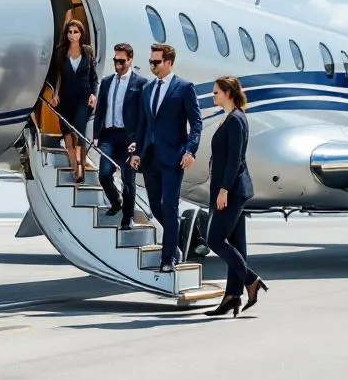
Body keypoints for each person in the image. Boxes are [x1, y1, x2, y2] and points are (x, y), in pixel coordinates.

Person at [130, 42, 202, 273]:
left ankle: (168, 258)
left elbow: (196, 123)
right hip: (151, 157)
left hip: (174, 157)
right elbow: (143, 125)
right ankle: (175, 244)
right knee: (155, 205)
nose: (152, 66)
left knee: (169, 206)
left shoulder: (184, 87)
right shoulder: (148, 90)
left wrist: (190, 150)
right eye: (151, 61)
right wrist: (137, 153)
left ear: (169, 62)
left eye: (156, 62)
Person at [204, 76, 268, 317]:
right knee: (237, 245)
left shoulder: (236, 120)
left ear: (227, 93)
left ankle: (251, 280)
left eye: (216, 93)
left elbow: (235, 160)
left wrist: (224, 190)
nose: (213, 96)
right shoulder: (230, 118)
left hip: (231, 191)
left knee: (215, 240)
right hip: (231, 190)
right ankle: (232, 296)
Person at [93, 42, 147, 230]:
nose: (118, 63)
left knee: (127, 179)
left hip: (128, 138)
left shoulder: (140, 83)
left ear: (130, 59)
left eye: (121, 60)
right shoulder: (107, 81)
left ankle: (128, 217)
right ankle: (116, 202)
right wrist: (96, 136)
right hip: (108, 135)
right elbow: (100, 109)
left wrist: (138, 141)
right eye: (115, 60)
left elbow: (143, 116)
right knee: (104, 174)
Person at [46, 18, 98, 183]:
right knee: (68, 136)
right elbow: (55, 76)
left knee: (79, 133)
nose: (72, 35)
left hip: (83, 100)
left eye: (76, 32)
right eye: (70, 32)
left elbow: (93, 78)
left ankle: (81, 169)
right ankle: (76, 170)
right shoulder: (60, 52)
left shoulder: (88, 52)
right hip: (65, 99)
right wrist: (54, 93)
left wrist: (93, 94)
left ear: (81, 34)